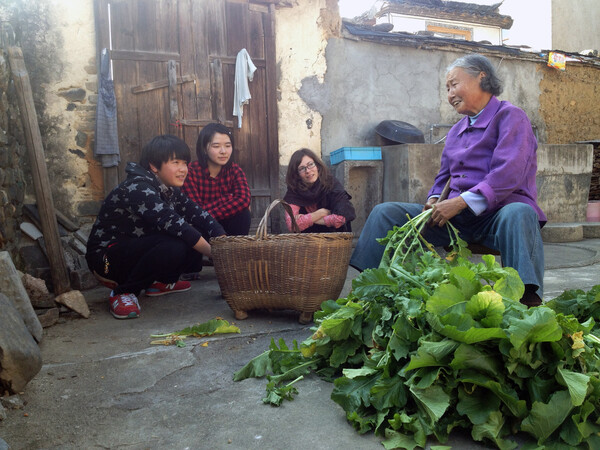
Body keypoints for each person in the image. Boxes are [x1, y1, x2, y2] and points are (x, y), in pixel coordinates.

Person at [350, 53, 546, 307]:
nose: (450, 93)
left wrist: (461, 202)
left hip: (497, 215)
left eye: (454, 84)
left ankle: (525, 301)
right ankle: (370, 292)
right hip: (456, 220)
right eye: (447, 88)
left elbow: (508, 172)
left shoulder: (511, 117)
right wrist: (433, 200)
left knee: (519, 213)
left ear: (481, 78)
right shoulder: (456, 131)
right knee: (385, 213)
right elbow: (444, 176)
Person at [86, 134, 225, 319]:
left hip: (132, 253)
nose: (183, 169)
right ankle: (124, 292)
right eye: (175, 162)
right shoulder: (138, 188)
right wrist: (220, 257)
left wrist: (225, 242)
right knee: (178, 243)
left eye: (185, 163)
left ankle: (159, 282)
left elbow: (200, 215)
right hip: (105, 261)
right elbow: (180, 228)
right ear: (153, 166)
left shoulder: (169, 189)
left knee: (194, 235)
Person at [182, 123, 251, 236]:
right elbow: (195, 211)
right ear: (204, 148)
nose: (223, 151)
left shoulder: (235, 170)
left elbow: (244, 200)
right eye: (216, 146)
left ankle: (235, 251)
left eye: (228, 146)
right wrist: (227, 198)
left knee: (244, 214)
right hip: (202, 226)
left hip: (228, 223)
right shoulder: (191, 172)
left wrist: (206, 211)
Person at [283, 148, 355, 233]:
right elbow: (292, 225)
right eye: (302, 168)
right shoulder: (294, 192)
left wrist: (307, 218)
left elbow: (342, 218)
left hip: (335, 241)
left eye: (310, 164)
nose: (308, 171)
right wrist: (321, 213)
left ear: (317, 165)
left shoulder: (331, 184)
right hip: (308, 243)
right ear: (296, 174)